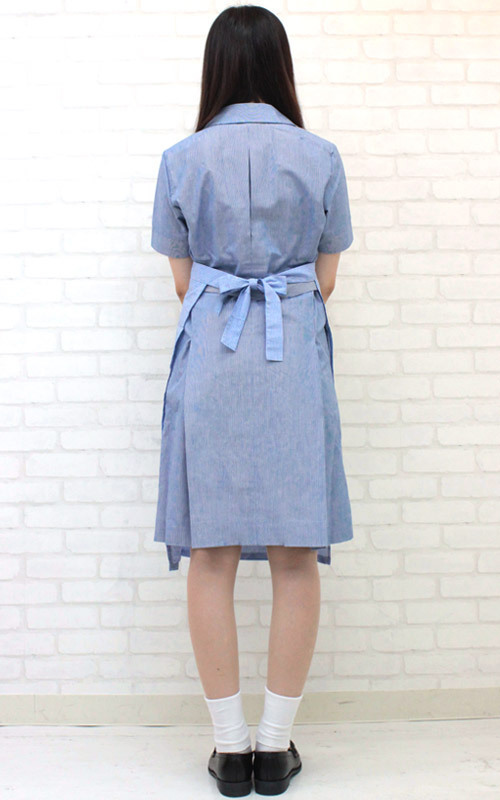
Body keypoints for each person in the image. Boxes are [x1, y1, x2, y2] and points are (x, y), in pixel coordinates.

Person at [150, 5, 354, 796]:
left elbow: (182, 282)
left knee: (212, 553)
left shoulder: (180, 158)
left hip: (213, 358)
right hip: (289, 358)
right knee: (296, 555)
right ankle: (275, 748)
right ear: (279, 66)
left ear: (216, 70)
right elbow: (325, 280)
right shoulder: (320, 156)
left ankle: (229, 750)